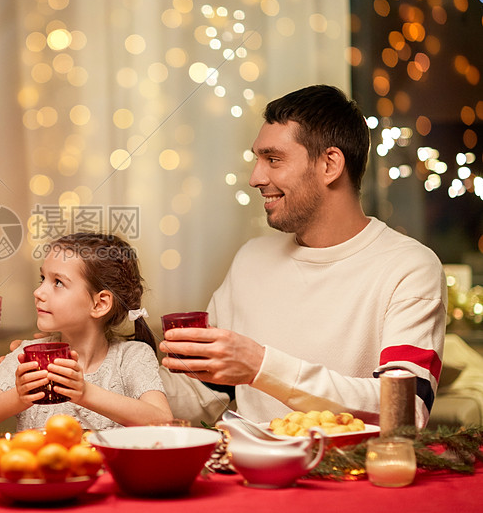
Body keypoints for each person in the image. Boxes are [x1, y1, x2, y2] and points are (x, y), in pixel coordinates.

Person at [160, 85, 446, 428]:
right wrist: (104, 368)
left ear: (330, 164)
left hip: (350, 476)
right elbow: (203, 395)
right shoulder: (251, 259)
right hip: (249, 475)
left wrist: (261, 366)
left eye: (273, 159)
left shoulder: (409, 267)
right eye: (258, 160)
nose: (256, 178)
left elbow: (404, 410)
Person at [0, 233, 173, 434]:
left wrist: (85, 393)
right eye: (42, 279)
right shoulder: (25, 355)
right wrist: (18, 396)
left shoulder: (131, 356)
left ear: (100, 303)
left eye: (58, 282)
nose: (38, 292)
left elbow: (163, 422)